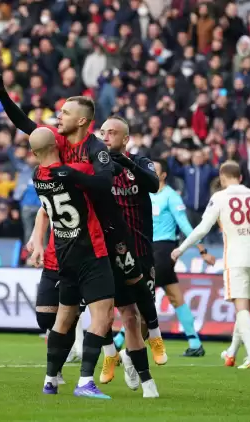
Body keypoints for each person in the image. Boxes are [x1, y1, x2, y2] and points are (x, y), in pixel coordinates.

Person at [0, 75, 155, 383]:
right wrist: (1, 93)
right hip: (71, 239)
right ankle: (92, 362)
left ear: (81, 120)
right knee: (63, 314)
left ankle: (141, 356)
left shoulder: (95, 149)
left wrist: (67, 173)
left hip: (108, 234)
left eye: (64, 113)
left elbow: (105, 184)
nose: (58, 117)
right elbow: (25, 123)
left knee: (129, 307)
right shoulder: (58, 140)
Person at [31, 127, 134, 399]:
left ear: (34, 153)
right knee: (103, 316)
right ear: (58, 143)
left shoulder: (37, 177)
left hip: (63, 254)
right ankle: (85, 381)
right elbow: (104, 175)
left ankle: (50, 380)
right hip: (90, 251)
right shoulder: (76, 169)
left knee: (64, 318)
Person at [171, 161, 250, 369]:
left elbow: (202, 229)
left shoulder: (219, 197)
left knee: (241, 308)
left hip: (236, 257)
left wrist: (181, 249)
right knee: (244, 308)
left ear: (221, 177)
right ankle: (232, 353)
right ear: (241, 177)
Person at [97, 116, 167, 389]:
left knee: (141, 318)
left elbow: (152, 184)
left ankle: (129, 354)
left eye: (112, 133)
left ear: (125, 139)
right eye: (103, 132)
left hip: (141, 249)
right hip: (110, 251)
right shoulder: (97, 166)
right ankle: (112, 356)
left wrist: (123, 161)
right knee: (118, 313)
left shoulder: (140, 162)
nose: (106, 137)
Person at [150, 159, 216, 357]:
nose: (150, 172)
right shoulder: (145, 194)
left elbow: (186, 226)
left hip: (164, 250)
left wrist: (202, 250)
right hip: (148, 249)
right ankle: (195, 343)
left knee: (142, 297)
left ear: (163, 176)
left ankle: (119, 344)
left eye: (155, 170)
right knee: (175, 296)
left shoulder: (171, 197)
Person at [27, 205, 84, 385]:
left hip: (80, 266)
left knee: (69, 319)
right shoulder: (56, 190)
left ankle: (55, 369)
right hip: (52, 262)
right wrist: (37, 245)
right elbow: (43, 213)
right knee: (45, 319)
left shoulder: (91, 190)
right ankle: (58, 363)